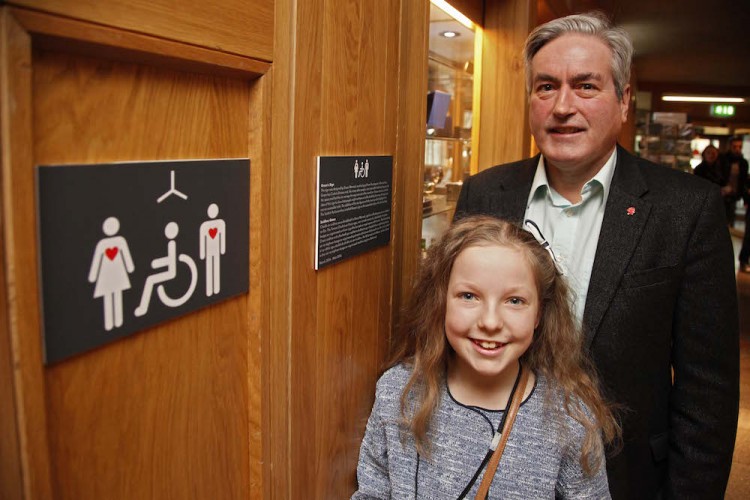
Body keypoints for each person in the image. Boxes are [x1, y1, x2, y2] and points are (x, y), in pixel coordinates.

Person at [453, 12, 739, 499]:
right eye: (546, 87)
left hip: (624, 475)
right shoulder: (486, 192)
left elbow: (706, 388)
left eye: (586, 86)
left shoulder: (685, 209)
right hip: (490, 469)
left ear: (624, 101)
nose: (563, 106)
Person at [353, 216, 619, 498]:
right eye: (469, 296)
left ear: (539, 313)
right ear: (441, 302)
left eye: (515, 301)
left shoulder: (569, 419)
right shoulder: (397, 391)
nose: (490, 322)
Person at [718, 136, 748, 227]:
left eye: (739, 147)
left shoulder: (743, 162)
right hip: (721, 193)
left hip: (735, 194)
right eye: (735, 147)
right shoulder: (722, 159)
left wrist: (745, 197)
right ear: (730, 146)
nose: (737, 149)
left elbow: (743, 180)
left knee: (730, 218)